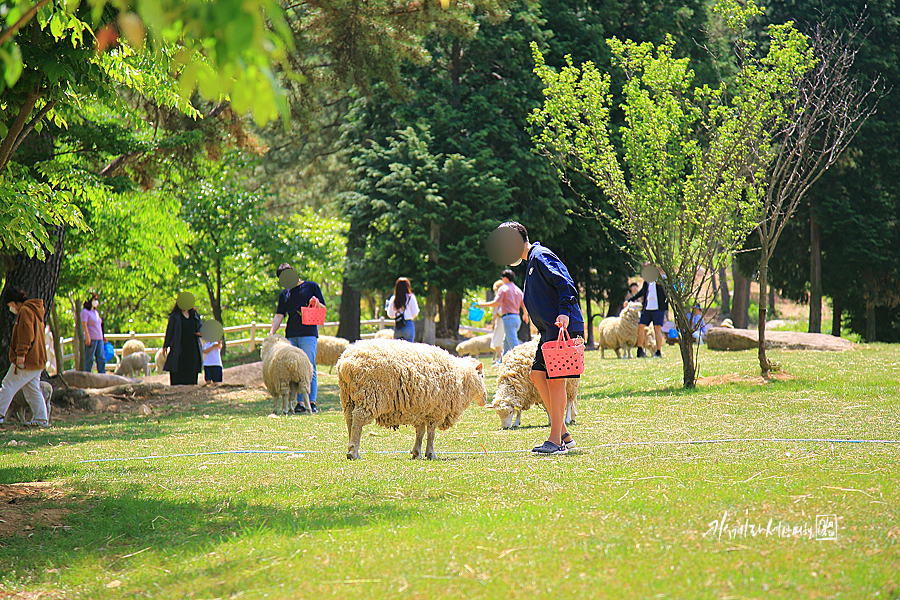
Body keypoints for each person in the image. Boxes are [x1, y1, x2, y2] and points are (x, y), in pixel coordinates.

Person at [496, 221, 584, 455]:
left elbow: (565, 283)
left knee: (556, 381)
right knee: (536, 374)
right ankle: (563, 432)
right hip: (548, 330)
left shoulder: (541, 255)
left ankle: (556, 440)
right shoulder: (532, 262)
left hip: (561, 326)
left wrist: (564, 312)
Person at [270, 263, 326, 413]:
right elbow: (279, 315)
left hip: (308, 333)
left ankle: (311, 401)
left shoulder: (311, 287)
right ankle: (300, 402)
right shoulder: (285, 294)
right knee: (293, 370)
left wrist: (317, 303)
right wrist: (271, 333)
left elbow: (323, 309)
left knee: (309, 367)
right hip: (291, 336)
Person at [0, 288, 49, 427]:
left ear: (15, 302)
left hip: (27, 359)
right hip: (37, 359)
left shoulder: (25, 311)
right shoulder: (34, 310)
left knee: (8, 384)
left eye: (10, 305)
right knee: (32, 390)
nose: (11, 308)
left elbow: (27, 334)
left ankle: (0, 413)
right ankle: (41, 419)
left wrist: (21, 353)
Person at [479, 269, 528, 357]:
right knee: (506, 341)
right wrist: (525, 315)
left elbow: (496, 303)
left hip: (508, 318)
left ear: (505, 278)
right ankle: (502, 361)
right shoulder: (518, 290)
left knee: (513, 342)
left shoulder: (503, 288)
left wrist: (483, 305)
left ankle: (521, 359)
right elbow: (524, 305)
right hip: (517, 318)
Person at [627, 263, 668, 358]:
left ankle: (658, 351)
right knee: (640, 327)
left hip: (658, 309)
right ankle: (640, 350)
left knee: (657, 329)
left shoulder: (661, 280)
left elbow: (666, 295)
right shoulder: (647, 282)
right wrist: (629, 300)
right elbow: (641, 293)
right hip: (647, 308)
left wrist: (665, 312)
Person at [163, 300, 203, 385]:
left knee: (192, 373)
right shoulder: (175, 316)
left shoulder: (195, 315)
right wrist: (165, 345)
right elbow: (169, 331)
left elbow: (200, 327)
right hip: (179, 347)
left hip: (193, 348)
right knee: (178, 372)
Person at [385, 277, 420, 342]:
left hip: (398, 326)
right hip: (408, 325)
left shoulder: (393, 299)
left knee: (398, 350)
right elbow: (415, 312)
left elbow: (390, 314)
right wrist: (409, 315)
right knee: (408, 349)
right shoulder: (411, 297)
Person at [80, 293, 105, 373]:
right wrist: (88, 337)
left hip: (99, 338)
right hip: (91, 339)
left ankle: (102, 376)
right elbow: (84, 324)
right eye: (94, 299)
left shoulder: (95, 312)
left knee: (101, 358)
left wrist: (103, 336)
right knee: (89, 359)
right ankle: (87, 377)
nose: (96, 301)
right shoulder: (85, 312)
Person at [489, 279, 505, 365]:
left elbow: (495, 312)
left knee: (497, 340)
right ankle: (501, 358)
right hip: (503, 319)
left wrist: (493, 321)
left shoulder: (499, 298)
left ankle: (500, 358)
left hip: (500, 320)